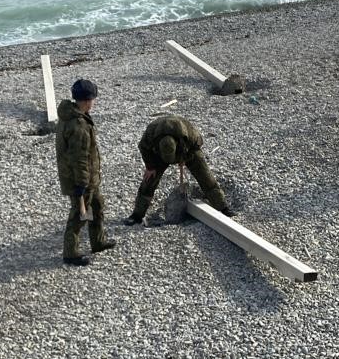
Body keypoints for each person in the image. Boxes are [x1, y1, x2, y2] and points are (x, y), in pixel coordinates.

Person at [125, 115, 232, 225]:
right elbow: (143, 148)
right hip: (158, 157)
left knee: (206, 177)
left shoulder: (190, 135)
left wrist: (184, 157)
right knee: (148, 182)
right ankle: (137, 215)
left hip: (186, 152)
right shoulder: (151, 133)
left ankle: (223, 207)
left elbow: (197, 146)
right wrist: (150, 167)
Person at [55, 79, 116, 266]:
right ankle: (70, 253)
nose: (94, 103)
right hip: (81, 180)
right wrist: (81, 186)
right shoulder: (78, 125)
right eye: (93, 99)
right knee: (79, 214)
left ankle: (98, 241)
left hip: (88, 178)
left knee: (97, 206)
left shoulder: (72, 116)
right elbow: (79, 159)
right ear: (87, 100)